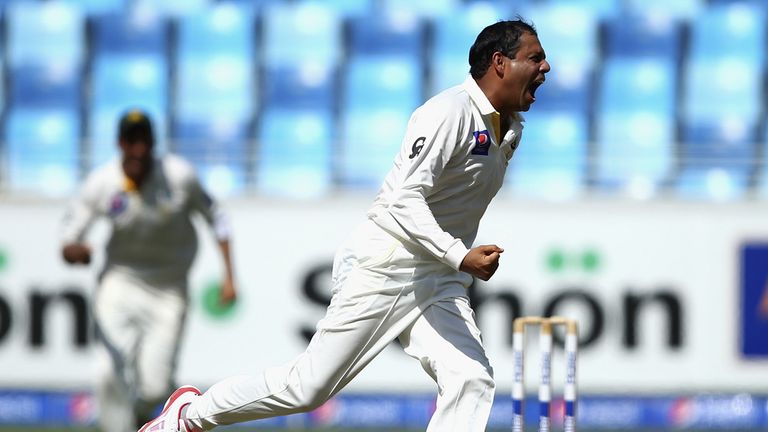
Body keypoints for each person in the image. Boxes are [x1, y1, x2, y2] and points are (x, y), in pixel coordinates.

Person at [139, 18, 549, 432]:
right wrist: (460, 255)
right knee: (307, 388)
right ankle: (187, 416)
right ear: (500, 62)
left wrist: (452, 261)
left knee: (471, 379)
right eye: (535, 58)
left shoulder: (510, 128)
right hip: (389, 265)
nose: (545, 68)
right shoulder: (448, 112)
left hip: (438, 277)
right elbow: (402, 200)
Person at [60, 109, 238, 432]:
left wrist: (229, 277)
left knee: (156, 387)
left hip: (169, 290)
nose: (138, 149)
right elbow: (69, 239)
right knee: (107, 373)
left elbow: (218, 219)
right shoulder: (103, 182)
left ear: (154, 143)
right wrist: (78, 252)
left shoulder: (179, 176)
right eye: (131, 141)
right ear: (120, 144)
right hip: (119, 282)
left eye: (144, 141)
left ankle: (141, 418)